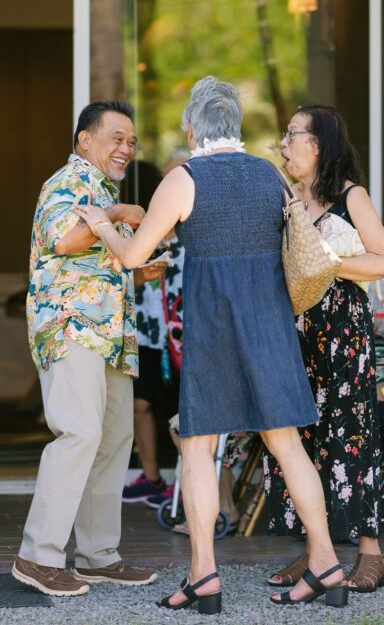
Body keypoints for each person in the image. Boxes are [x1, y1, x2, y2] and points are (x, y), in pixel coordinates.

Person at [75, 77, 346, 611]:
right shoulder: (270, 176)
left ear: (194, 127)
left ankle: (204, 577)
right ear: (237, 125)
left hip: (215, 328)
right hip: (270, 327)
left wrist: (100, 224)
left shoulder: (184, 178)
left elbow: (133, 258)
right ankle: (326, 563)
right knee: (287, 444)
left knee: (198, 448)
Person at [13, 100, 156, 598]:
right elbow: (63, 242)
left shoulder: (101, 190)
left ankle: (98, 555)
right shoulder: (67, 183)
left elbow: (101, 254)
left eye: (132, 141)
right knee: (78, 433)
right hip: (72, 328)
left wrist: (137, 258)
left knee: (113, 440)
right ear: (85, 141)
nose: (126, 148)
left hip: (111, 334)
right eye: (117, 137)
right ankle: (38, 556)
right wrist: (117, 213)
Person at [264, 104, 384, 593]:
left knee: (352, 434)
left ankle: (372, 551)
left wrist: (327, 259)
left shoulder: (350, 196)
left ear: (321, 144)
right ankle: (320, 550)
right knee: (303, 438)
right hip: (294, 331)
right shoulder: (285, 199)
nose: (284, 144)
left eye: (293, 135)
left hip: (343, 331)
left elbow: (380, 260)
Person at [123, 153, 188, 505]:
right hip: (148, 330)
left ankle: (187, 487)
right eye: (165, 178)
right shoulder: (145, 230)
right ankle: (150, 478)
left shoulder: (199, 229)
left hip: (186, 334)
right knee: (141, 403)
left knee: (186, 413)